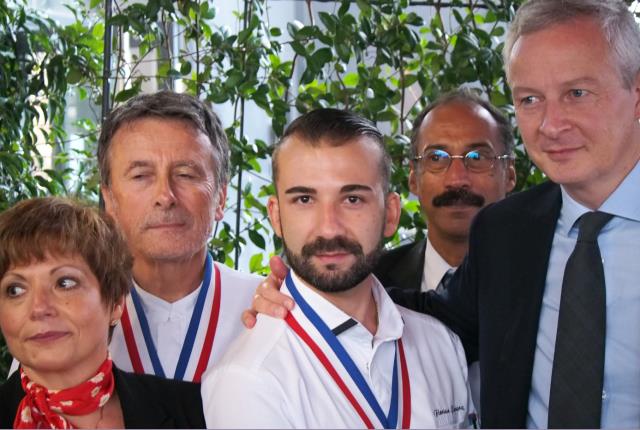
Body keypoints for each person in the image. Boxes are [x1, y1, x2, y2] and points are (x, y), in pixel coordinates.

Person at [245, 0, 640, 427]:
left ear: (637, 94)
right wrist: (303, 297)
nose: (551, 123)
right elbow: (429, 318)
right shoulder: (508, 231)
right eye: (530, 99)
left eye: (576, 93)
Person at [202, 108, 474, 428]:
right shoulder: (248, 379)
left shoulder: (441, 343)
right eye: (304, 200)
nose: (329, 228)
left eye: (353, 199)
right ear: (275, 216)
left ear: (390, 213)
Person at [0, 197, 205, 428]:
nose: (38, 308)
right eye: (15, 290)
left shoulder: (197, 410)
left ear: (115, 302)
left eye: (65, 283)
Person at [98, 91, 261, 382]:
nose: (165, 196)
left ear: (220, 198)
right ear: (109, 200)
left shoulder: (267, 310)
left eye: (185, 174)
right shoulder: (71, 316)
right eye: (141, 176)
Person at [374, 88, 516, 292]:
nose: (457, 180)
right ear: (413, 178)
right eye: (436, 158)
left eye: (476, 157)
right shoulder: (372, 283)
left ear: (510, 175)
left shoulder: (551, 276)